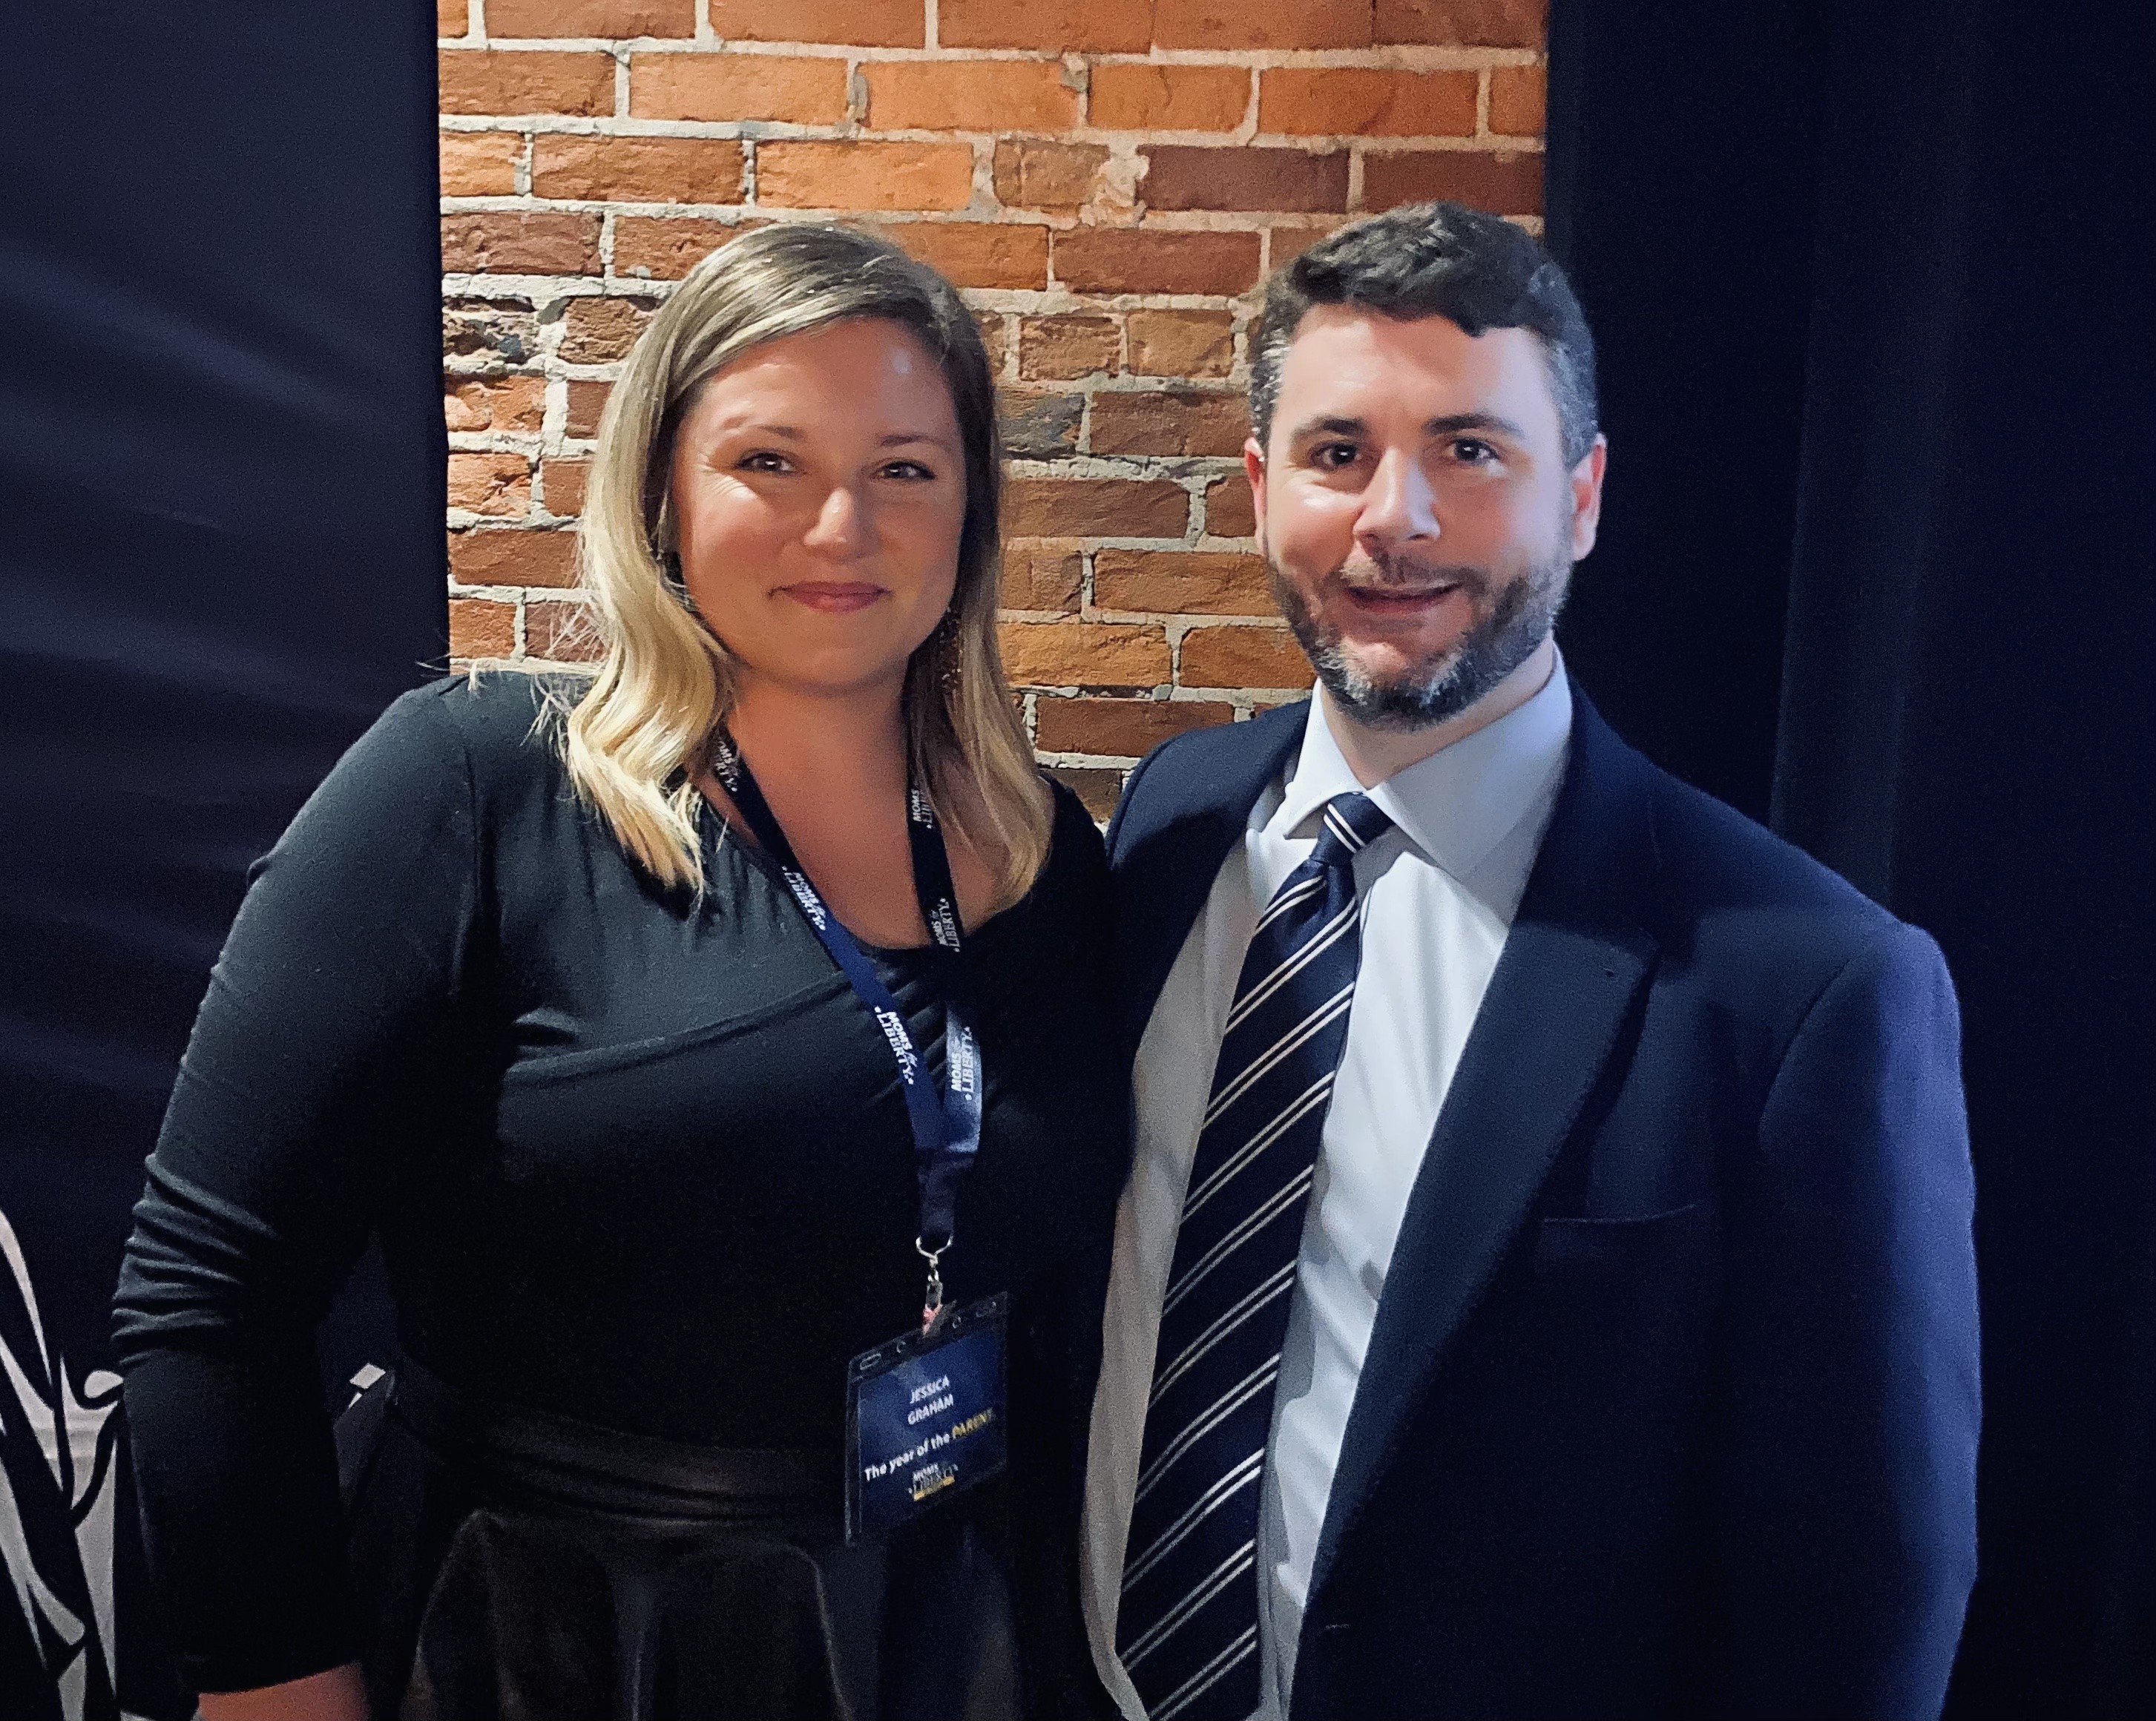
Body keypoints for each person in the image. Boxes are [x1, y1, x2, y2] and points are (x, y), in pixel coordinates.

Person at [112, 223, 1126, 1721]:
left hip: (945, 1621)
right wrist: (275, 1691)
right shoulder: (476, 787)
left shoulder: (1049, 859)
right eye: (768, 461)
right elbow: (210, 1297)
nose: (841, 524)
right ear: (661, 492)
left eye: (904, 468)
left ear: (970, 509)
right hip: (547, 1632)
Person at [1079, 202, 1979, 1721]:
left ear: (1582, 498)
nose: (1396, 518)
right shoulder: (1173, 819)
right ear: (1259, 490)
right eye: (1338, 451)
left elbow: (1860, 1598)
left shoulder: (1805, 986)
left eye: (1469, 451)